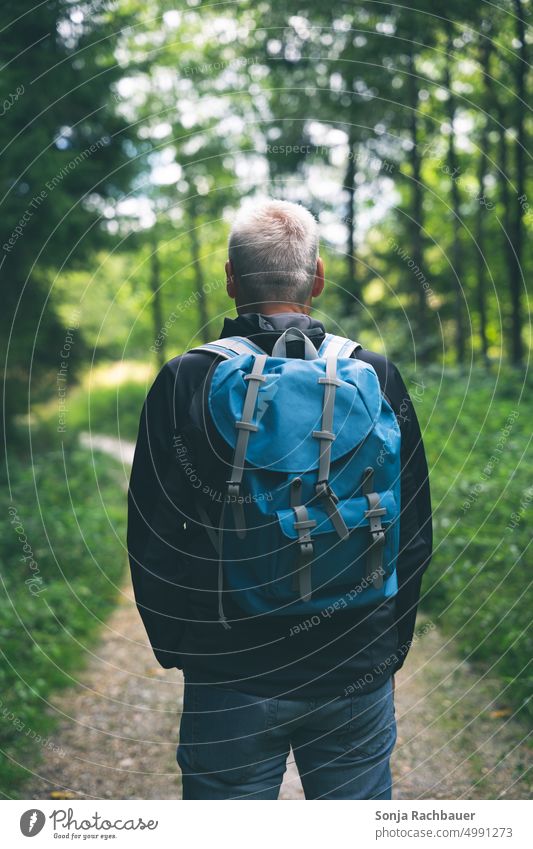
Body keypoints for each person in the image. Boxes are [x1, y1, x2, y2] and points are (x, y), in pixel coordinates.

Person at [127, 199, 432, 800]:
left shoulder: (186, 379)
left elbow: (153, 533)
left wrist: (181, 649)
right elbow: (413, 526)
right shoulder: (376, 374)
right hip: (356, 662)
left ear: (231, 279)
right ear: (316, 278)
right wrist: (388, 646)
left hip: (229, 668)